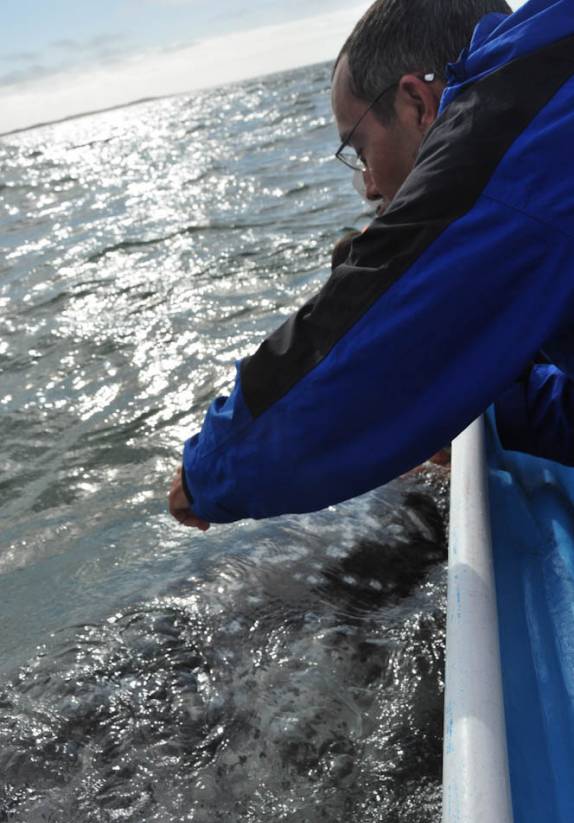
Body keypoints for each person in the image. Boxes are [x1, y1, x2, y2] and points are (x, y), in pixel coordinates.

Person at [169, 0, 574, 530]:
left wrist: (207, 475)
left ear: (418, 103)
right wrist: (494, 397)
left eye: (360, 149)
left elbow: (367, 345)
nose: (368, 186)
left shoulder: (516, 118)